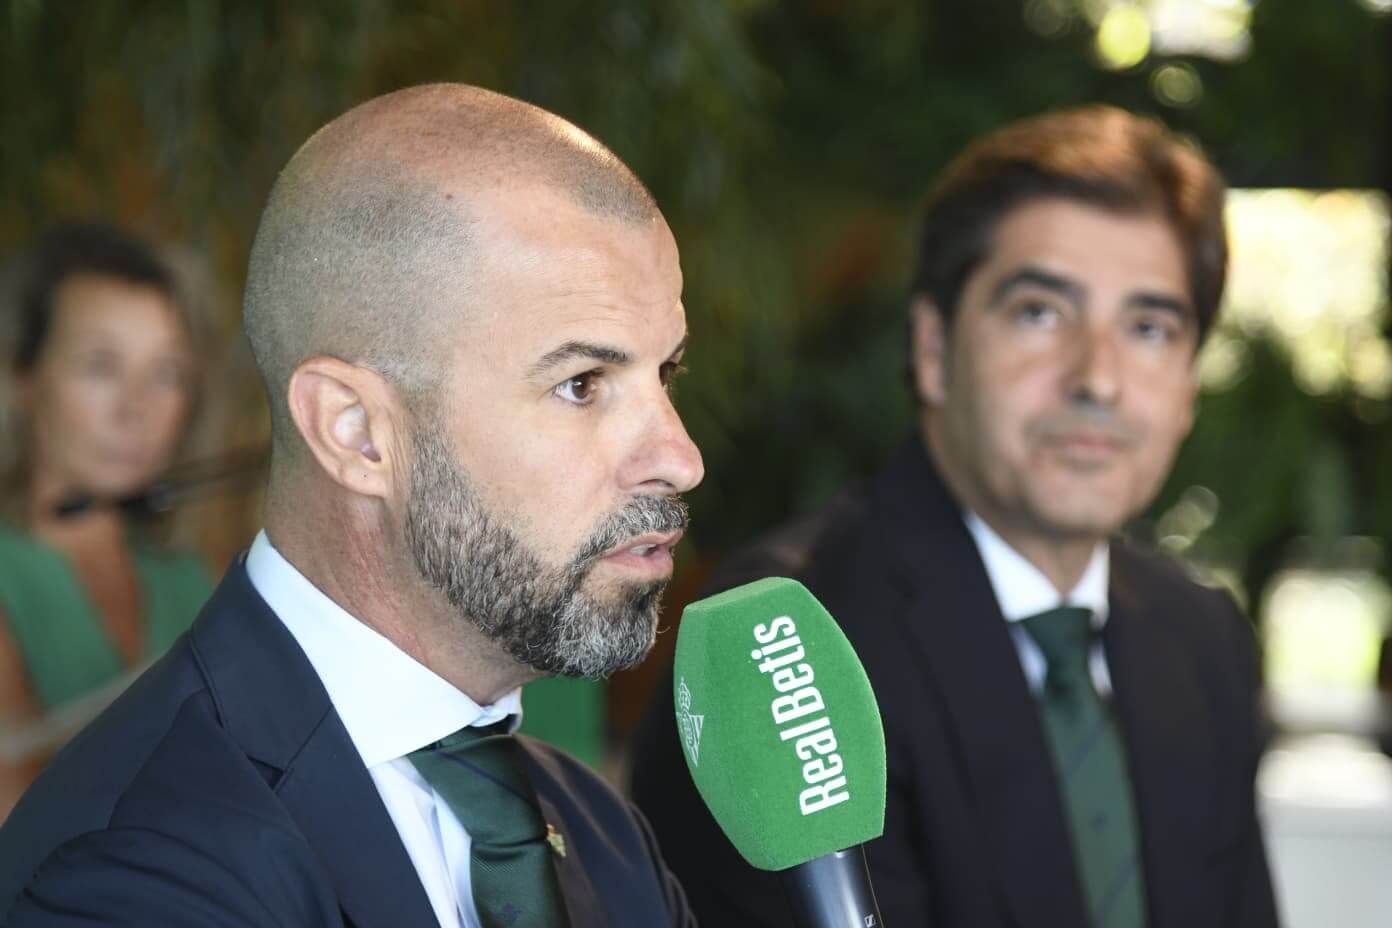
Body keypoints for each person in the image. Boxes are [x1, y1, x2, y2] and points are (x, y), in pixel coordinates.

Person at [0, 84, 702, 927]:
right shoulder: (137, 867)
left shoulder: (605, 838)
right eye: (581, 383)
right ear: (357, 432)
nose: (680, 458)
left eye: (665, 375)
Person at [631, 105, 1279, 928]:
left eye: (1150, 328)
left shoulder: (1204, 638)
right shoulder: (790, 641)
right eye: (1040, 312)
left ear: (1188, 386)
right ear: (934, 350)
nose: (1100, 380)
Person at [0, 225, 211, 820]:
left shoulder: (191, 574)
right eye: (100, 366)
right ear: (23, 375)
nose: (135, 409)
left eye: (165, 373)